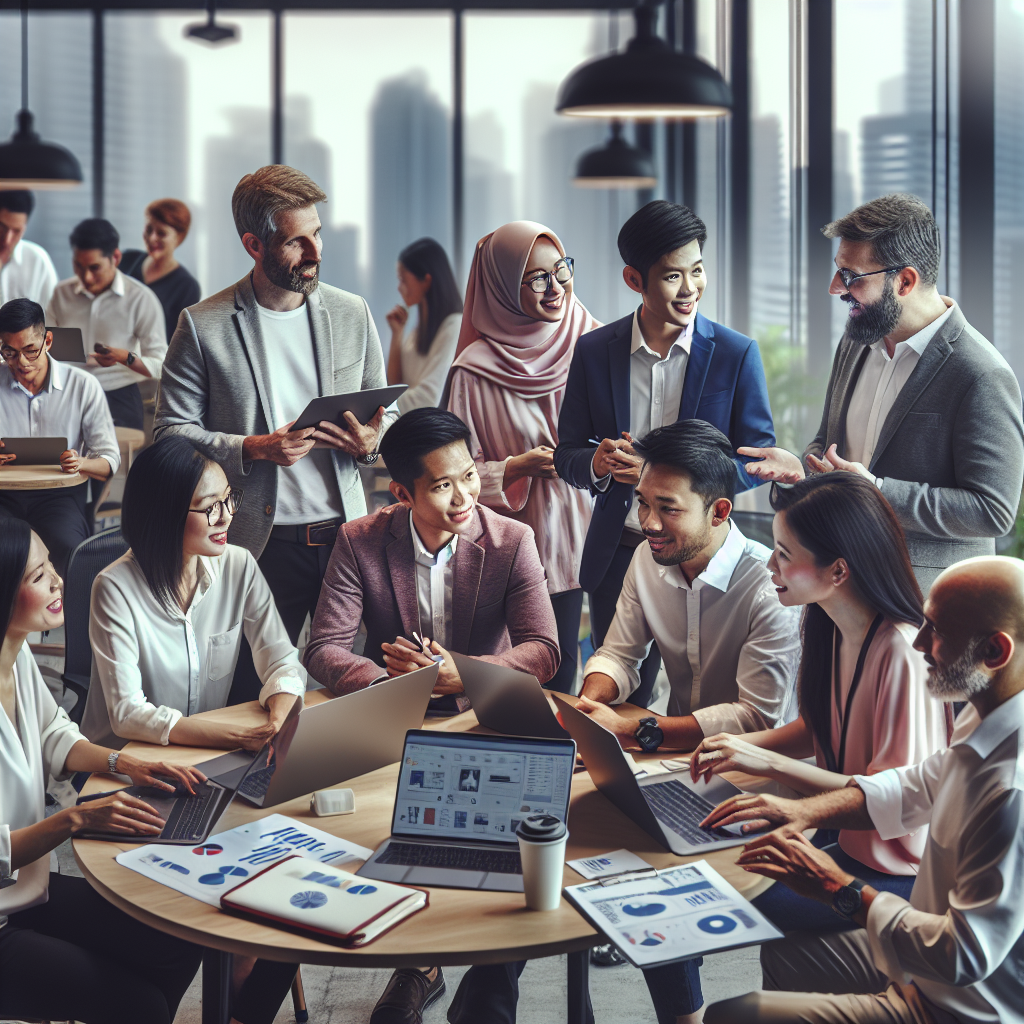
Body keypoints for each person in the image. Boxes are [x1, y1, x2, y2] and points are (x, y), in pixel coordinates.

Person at [453, 419, 799, 1024]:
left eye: (667, 509)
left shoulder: (767, 585)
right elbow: (619, 653)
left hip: (755, 775)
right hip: (676, 757)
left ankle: (679, 1015)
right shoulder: (646, 557)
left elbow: (757, 714)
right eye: (642, 502)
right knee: (543, 827)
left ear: (720, 511)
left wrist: (638, 731)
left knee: (636, 862)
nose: (648, 522)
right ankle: (489, 1005)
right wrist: (592, 703)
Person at [637, 470, 947, 1024]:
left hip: (893, 872)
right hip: (840, 842)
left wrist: (769, 763)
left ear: (838, 570)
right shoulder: (826, 622)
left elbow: (882, 799)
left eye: (783, 554)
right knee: (671, 864)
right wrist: (740, 746)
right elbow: (815, 726)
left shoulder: (901, 650)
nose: (769, 564)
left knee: (675, 907)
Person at [304, 407, 559, 1024]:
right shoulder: (361, 539)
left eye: (469, 476)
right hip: (398, 720)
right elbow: (325, 648)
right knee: (390, 840)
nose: (464, 496)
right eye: (443, 485)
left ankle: (492, 987)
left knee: (512, 846)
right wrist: (403, 684)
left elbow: (545, 649)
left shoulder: (511, 539)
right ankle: (417, 965)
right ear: (402, 492)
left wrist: (464, 673)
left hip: (487, 719)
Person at [703, 555, 1024, 1024]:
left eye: (936, 631)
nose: (918, 643)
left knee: (736, 1016)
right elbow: (914, 787)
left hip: (962, 1010)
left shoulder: (1011, 790)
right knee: (783, 957)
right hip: (923, 974)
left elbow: (964, 957)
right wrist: (804, 812)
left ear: (995, 652)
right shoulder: (986, 707)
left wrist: (837, 887)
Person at [155, 165, 392, 702]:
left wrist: (372, 441)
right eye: (296, 242)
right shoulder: (203, 323)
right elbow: (169, 434)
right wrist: (254, 448)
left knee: (366, 688)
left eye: (319, 234)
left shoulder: (352, 313)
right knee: (247, 689)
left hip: (349, 538)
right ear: (253, 244)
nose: (315, 253)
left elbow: (387, 414)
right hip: (259, 544)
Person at [742, 193, 1024, 592]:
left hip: (924, 603)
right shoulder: (857, 341)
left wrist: (877, 491)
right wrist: (801, 470)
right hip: (839, 585)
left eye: (851, 276)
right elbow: (831, 444)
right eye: (838, 271)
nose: (834, 288)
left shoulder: (981, 373)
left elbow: (992, 512)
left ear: (905, 281)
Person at [555, 200, 775, 707]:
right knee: (614, 681)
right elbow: (567, 452)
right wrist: (597, 464)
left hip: (702, 554)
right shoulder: (594, 351)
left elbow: (755, 460)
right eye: (673, 276)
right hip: (618, 551)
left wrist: (677, 480)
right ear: (635, 280)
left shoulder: (737, 353)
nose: (690, 289)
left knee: (698, 691)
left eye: (697, 271)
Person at [0, 517, 205, 1023]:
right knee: (141, 1006)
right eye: (37, 575)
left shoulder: (16, 652)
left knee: (179, 934)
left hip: (26, 892)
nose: (58, 581)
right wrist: (76, 820)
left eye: (52, 565)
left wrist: (124, 761)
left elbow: (53, 733)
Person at [446, 221, 600, 693]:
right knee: (505, 679)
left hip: (589, 536)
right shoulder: (473, 371)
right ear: (502, 286)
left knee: (571, 673)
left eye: (561, 270)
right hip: (507, 546)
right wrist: (515, 468)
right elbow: (454, 470)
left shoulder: (593, 340)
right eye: (535, 278)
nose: (555, 287)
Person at [80, 435, 305, 751]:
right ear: (165, 514)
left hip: (200, 754)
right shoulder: (114, 587)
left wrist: (276, 724)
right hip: (125, 762)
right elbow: (127, 714)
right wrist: (233, 740)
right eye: (210, 507)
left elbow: (282, 660)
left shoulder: (239, 564)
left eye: (229, 499)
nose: (226, 516)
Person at [0, 298, 119, 575]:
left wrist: (81, 463)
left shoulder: (82, 385)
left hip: (60, 496)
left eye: (30, 350)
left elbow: (110, 459)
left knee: (68, 545)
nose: (22, 362)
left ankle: (66, 615)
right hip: (4, 495)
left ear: (48, 341)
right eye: (9, 352)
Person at [45, 217, 167, 430]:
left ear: (116, 257)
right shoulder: (60, 293)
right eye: (79, 267)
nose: (87, 277)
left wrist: (124, 357)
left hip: (119, 396)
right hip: (67, 392)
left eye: (95, 267)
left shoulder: (140, 299)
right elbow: (42, 345)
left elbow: (162, 366)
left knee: (120, 462)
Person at [385, 236, 462, 413]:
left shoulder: (454, 326)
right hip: (412, 425)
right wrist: (397, 334)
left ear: (426, 280)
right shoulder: (418, 330)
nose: (399, 287)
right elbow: (395, 385)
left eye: (403, 279)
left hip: (431, 432)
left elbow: (426, 400)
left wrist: (380, 405)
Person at [120, 198, 202, 342]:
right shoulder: (125, 260)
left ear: (179, 238)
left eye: (162, 233)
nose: (152, 238)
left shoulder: (187, 287)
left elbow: (177, 345)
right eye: (149, 229)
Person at [0, 190, 58, 308]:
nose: (7, 239)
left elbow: (54, 317)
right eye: (2, 228)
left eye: (16, 231)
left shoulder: (37, 260)